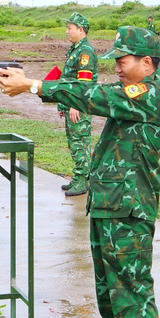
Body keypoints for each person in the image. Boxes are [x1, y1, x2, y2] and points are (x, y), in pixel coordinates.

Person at [0, 26, 160, 318]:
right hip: (108, 206)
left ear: (146, 62)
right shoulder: (130, 93)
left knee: (133, 298)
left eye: (123, 62)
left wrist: (35, 86)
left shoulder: (150, 95)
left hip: (129, 212)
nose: (118, 69)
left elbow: (95, 95)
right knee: (110, 297)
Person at [59, 12, 96, 196]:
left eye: (70, 28)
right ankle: (79, 175)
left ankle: (83, 180)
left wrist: (76, 105)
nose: (67, 31)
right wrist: (63, 104)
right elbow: (68, 79)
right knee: (73, 142)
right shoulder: (74, 48)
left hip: (79, 106)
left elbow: (84, 83)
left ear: (81, 30)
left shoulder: (85, 51)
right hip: (70, 103)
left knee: (80, 142)